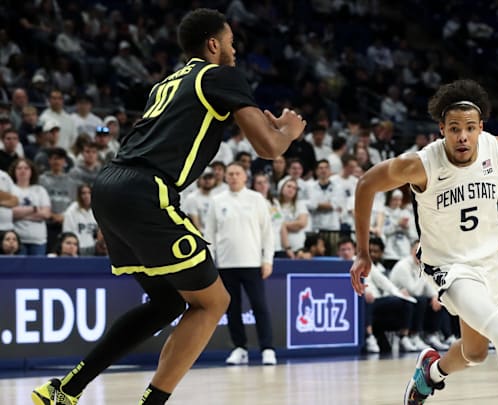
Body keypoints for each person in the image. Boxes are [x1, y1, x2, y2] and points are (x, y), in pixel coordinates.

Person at [31, 9, 305, 405]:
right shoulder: (220, 75)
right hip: (146, 189)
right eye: (230, 42)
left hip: (109, 186)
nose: (235, 49)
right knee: (215, 301)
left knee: (168, 302)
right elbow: (267, 148)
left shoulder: (167, 83)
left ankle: (63, 390)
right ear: (213, 44)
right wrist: (289, 132)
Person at [350, 79, 498, 405]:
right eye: (454, 128)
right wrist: (363, 252)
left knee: (475, 353)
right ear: (442, 130)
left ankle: (430, 373)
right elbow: (365, 185)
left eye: (470, 128)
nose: (463, 136)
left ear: (480, 128)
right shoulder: (420, 164)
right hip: (450, 268)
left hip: (491, 262)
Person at [204, 162, 277, 366]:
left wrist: (267, 260)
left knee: (259, 306)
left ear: (245, 177)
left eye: (238, 173)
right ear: (225, 177)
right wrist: (210, 263)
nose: (234, 177)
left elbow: (267, 233)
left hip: (252, 263)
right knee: (232, 308)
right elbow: (209, 234)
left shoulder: (257, 199)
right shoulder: (217, 201)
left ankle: (268, 349)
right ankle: (239, 348)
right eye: (230, 174)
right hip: (225, 264)